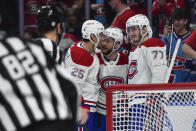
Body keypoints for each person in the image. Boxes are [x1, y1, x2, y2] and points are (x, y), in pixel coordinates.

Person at [0, 0, 79, 130]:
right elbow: (69, 88)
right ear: (59, 26)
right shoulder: (42, 47)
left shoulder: (31, 45)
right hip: (50, 117)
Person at [63, 19, 104, 131]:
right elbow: (74, 85)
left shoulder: (83, 48)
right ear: (92, 37)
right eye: (100, 35)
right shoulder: (81, 56)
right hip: (83, 108)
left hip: (87, 106)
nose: (103, 39)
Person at [95, 27, 129, 131]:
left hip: (121, 114)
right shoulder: (95, 58)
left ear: (117, 45)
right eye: (103, 40)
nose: (104, 44)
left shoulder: (127, 59)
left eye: (108, 41)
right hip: (100, 112)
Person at [126, 14, 168, 84]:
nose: (130, 34)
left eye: (133, 29)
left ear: (144, 29)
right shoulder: (135, 51)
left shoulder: (152, 43)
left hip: (147, 94)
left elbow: (160, 72)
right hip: (135, 94)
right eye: (129, 30)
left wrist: (156, 93)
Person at [161, 7, 196, 82]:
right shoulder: (167, 38)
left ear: (185, 21)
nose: (176, 22)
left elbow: (194, 68)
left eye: (179, 19)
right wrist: (164, 37)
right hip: (168, 88)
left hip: (185, 89)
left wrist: (187, 86)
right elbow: (160, 57)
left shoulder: (191, 40)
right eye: (174, 20)